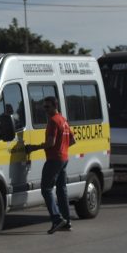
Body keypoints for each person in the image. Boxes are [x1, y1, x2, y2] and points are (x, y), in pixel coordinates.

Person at [26, 96, 74, 234]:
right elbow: (72, 140)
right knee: (61, 190)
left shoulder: (53, 121)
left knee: (46, 189)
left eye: (47, 107)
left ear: (54, 106)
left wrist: (33, 148)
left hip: (54, 159)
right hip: (64, 159)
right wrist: (63, 148)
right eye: (44, 107)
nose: (45, 109)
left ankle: (57, 219)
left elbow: (50, 143)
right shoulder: (63, 120)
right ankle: (67, 222)